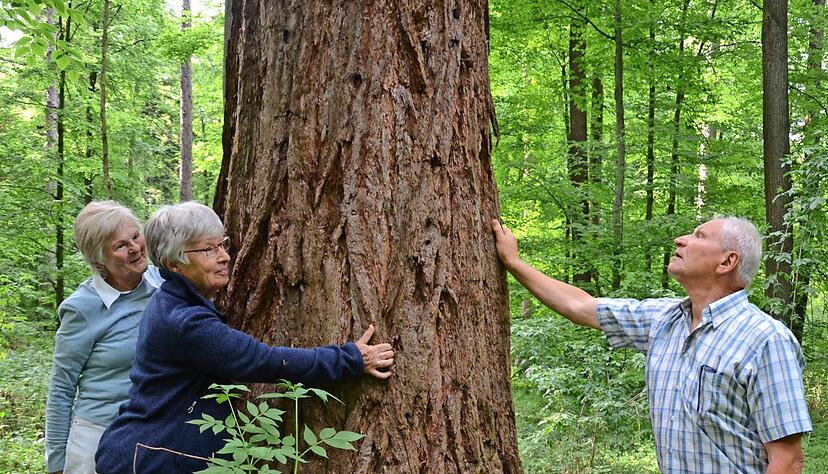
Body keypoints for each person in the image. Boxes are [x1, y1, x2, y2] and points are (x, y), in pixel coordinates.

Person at [491, 216, 812, 473]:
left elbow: (787, 461)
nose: (681, 239)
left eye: (699, 236)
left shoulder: (767, 340)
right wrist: (514, 263)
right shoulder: (663, 319)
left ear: (727, 261)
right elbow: (581, 307)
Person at [95, 202, 395, 473]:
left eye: (222, 245)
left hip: (153, 452)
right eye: (208, 250)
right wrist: (350, 358)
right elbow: (263, 361)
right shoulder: (185, 320)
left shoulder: (176, 302)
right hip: (150, 458)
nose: (225, 256)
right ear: (174, 264)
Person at [45, 201, 163, 474]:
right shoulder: (83, 308)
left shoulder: (165, 285)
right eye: (120, 245)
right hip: (96, 439)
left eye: (136, 236)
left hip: (153, 435)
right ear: (98, 259)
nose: (135, 247)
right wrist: (57, 464)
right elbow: (62, 387)